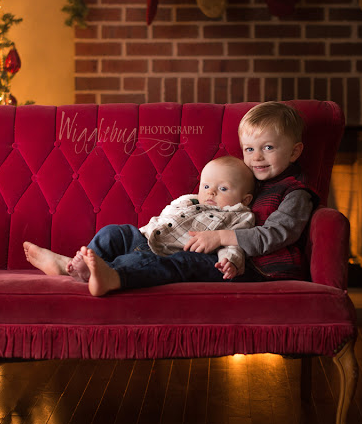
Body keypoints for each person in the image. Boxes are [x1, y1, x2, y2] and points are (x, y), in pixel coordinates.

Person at [23, 156, 255, 296]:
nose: (211, 192)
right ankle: (74, 266)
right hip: (145, 237)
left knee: (141, 262)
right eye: (206, 186)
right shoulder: (190, 200)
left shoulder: (239, 215)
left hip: (173, 254)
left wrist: (230, 261)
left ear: (245, 199)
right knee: (114, 232)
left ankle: (111, 277)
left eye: (223, 189)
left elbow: (234, 241)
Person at [184, 101, 318, 281]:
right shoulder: (248, 182)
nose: (256, 157)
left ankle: (137, 272)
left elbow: (275, 234)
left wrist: (221, 237)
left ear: (294, 152)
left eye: (268, 147)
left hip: (269, 270)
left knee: (184, 263)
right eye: (249, 149)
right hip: (231, 259)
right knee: (177, 256)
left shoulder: (295, 193)